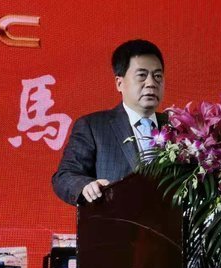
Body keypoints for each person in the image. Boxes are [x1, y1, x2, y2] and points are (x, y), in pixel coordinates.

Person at [52, 39, 166, 206]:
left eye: (158, 76)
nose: (151, 83)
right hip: (115, 219)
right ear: (119, 83)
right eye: (142, 76)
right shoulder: (93, 127)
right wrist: (86, 186)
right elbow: (64, 176)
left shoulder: (179, 128)